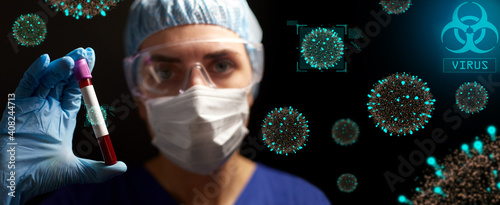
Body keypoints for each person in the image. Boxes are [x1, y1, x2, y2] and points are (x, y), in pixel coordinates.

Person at [0, 0, 331, 204]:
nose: (196, 95)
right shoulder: (77, 202)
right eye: (164, 70)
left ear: (253, 81)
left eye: (221, 65)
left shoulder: (303, 200)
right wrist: (5, 183)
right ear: (138, 97)